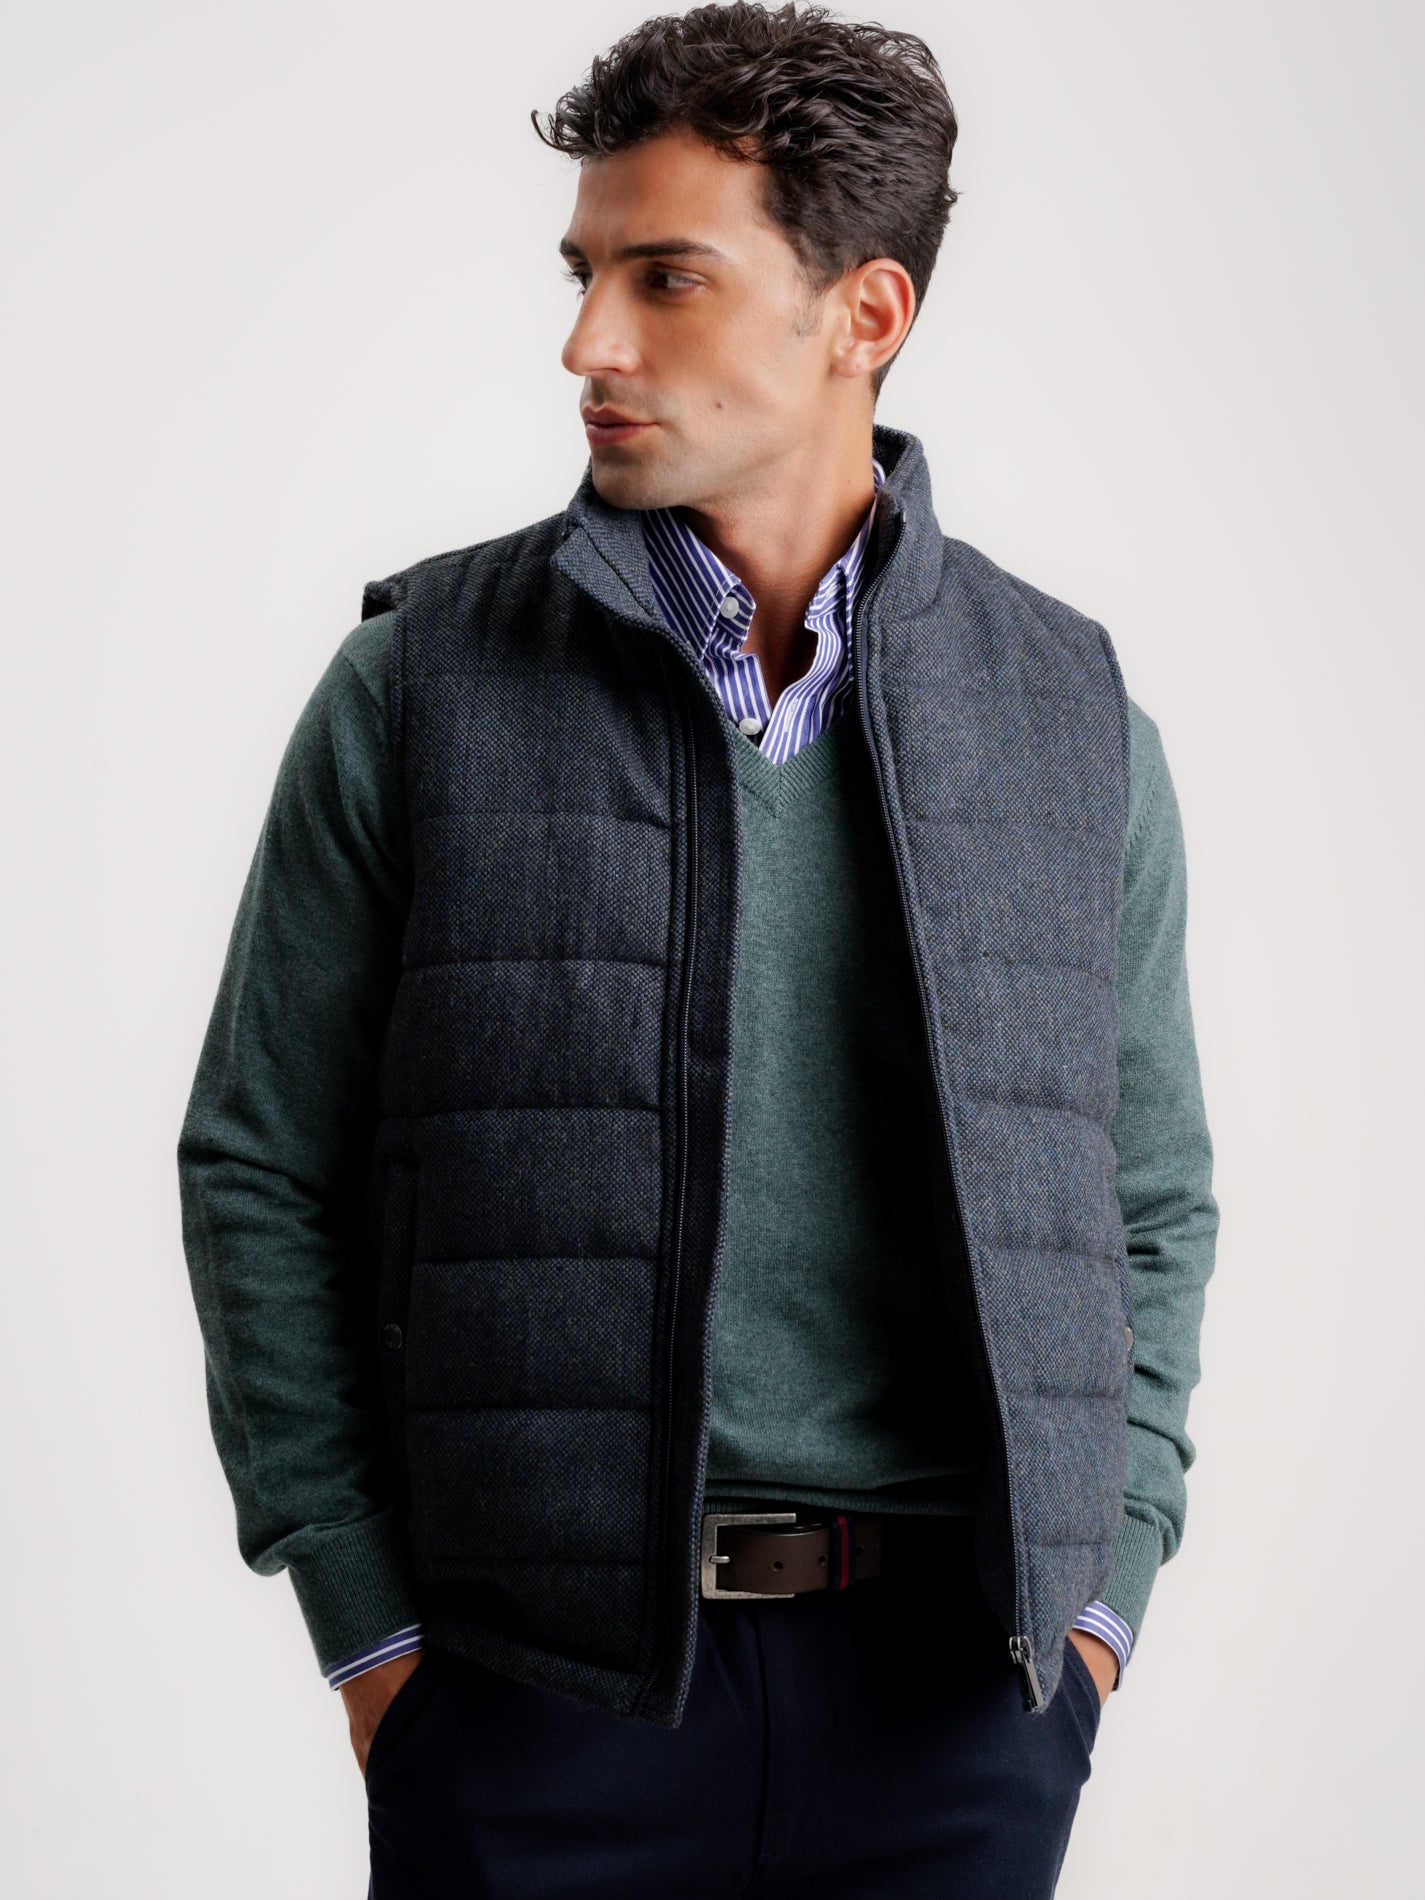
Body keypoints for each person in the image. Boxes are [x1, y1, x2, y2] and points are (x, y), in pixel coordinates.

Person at [176, 4, 1218, 1893]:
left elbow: (1144, 1199)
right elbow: (261, 1164)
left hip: (958, 1702)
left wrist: (1098, 1607)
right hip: (532, 1694)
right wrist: (373, 1632)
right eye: (583, 274)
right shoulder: (417, 687)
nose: (587, 341)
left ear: (863, 314)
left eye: (665, 278)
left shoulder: (1068, 714)